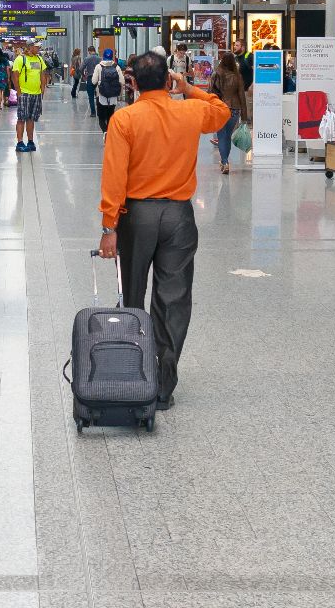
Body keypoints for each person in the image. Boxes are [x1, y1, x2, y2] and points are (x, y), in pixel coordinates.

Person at [97, 52, 231, 409]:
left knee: (134, 294)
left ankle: (131, 371)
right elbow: (222, 111)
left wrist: (109, 226)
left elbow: (114, 175)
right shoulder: (189, 111)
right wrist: (188, 88)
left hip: (137, 215)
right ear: (168, 79)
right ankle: (162, 385)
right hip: (178, 216)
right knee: (172, 298)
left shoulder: (124, 119)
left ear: (134, 83)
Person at [210, 51, 249, 175]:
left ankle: (225, 161)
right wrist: (244, 117)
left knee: (221, 136)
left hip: (220, 108)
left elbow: (210, 94)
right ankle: (225, 161)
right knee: (227, 136)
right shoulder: (237, 76)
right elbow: (242, 97)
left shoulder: (216, 74)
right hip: (235, 109)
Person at [11, 41, 49, 153]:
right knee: (22, 118)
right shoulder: (20, 59)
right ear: (30, 47)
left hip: (36, 93)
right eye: (37, 47)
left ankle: (30, 141)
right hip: (24, 93)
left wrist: (42, 89)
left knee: (31, 118)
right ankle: (20, 142)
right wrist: (18, 92)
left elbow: (42, 74)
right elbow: (15, 76)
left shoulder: (39, 59)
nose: (39, 48)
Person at [92, 49, 125, 133]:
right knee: (110, 116)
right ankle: (110, 133)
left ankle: (105, 132)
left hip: (101, 95)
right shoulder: (116, 67)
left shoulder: (98, 66)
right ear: (112, 56)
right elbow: (122, 81)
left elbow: (93, 81)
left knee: (101, 118)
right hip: (113, 96)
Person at [80, 46, 102, 114]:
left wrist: (83, 75)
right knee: (99, 95)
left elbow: (81, 68)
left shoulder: (87, 58)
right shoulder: (100, 59)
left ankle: (93, 112)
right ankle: (99, 111)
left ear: (89, 51)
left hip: (90, 78)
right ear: (94, 50)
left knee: (91, 96)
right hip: (98, 78)